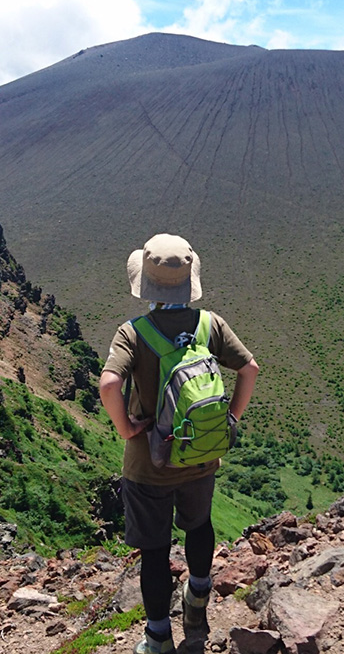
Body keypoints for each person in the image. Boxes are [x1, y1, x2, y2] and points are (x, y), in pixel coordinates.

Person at [99, 233, 259, 654]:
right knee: (199, 527)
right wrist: (230, 420)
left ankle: (158, 639)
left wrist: (126, 429)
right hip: (201, 456)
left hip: (149, 465)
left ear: (147, 285)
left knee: (154, 551)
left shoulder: (133, 333)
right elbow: (250, 369)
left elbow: (109, 383)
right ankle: (197, 601)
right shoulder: (210, 324)